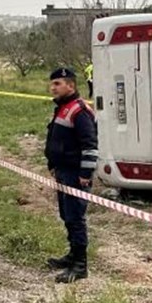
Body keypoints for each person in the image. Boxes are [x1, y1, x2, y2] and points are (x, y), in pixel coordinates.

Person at [44, 67, 98, 283]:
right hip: (63, 171)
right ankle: (72, 255)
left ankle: (80, 266)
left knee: (76, 218)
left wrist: (85, 173)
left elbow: (90, 145)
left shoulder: (79, 110)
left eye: (57, 84)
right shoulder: (63, 107)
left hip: (76, 174)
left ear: (71, 85)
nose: (53, 88)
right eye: (52, 84)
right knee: (66, 215)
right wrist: (53, 164)